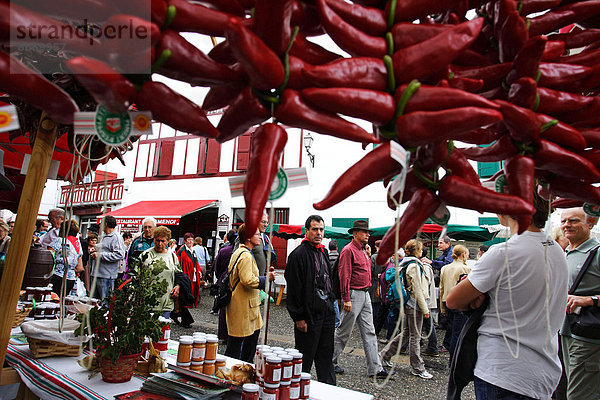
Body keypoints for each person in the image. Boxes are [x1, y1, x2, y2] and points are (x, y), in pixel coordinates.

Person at [446, 193, 568, 400]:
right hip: (544, 370)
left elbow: (453, 300)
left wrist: (481, 295)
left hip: (503, 369)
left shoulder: (503, 252)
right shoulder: (557, 251)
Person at [332, 220, 388, 378]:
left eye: (368, 232)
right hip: (354, 294)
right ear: (355, 233)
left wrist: (369, 255)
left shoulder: (364, 250)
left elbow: (366, 271)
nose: (368, 235)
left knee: (370, 331)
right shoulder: (348, 250)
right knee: (344, 330)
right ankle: (330, 360)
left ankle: (375, 368)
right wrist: (346, 298)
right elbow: (344, 275)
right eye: (365, 232)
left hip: (364, 293)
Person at [285, 215, 336, 385]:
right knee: (304, 359)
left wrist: (332, 302)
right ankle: (297, 390)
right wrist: (298, 317)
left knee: (326, 356)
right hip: (308, 315)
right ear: (306, 231)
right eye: (314, 229)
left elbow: (328, 280)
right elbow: (294, 289)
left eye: (321, 229)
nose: (319, 233)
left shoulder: (324, 252)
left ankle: (328, 391)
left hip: (326, 312)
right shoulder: (297, 255)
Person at [559, 207, 600, 400]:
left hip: (587, 338)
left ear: (591, 223)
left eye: (574, 220)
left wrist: (589, 300)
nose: (567, 225)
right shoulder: (565, 253)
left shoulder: (597, 253)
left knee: (580, 396)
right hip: (565, 333)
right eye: (564, 221)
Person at [379, 240, 433, 380]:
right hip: (415, 304)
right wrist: (425, 308)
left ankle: (384, 355)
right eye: (421, 249)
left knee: (407, 333)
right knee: (415, 336)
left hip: (409, 303)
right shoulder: (414, 266)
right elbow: (418, 290)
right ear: (417, 251)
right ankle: (418, 367)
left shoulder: (405, 263)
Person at [225, 223, 274, 363]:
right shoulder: (245, 255)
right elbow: (247, 280)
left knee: (244, 342)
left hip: (247, 306)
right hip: (243, 307)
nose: (260, 236)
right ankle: (235, 371)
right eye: (257, 234)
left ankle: (239, 368)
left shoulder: (241, 252)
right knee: (238, 345)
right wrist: (266, 279)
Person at [139, 226, 182, 319]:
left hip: (166, 301)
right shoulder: (145, 255)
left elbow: (179, 275)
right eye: (157, 240)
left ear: (168, 241)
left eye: (163, 241)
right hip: (148, 301)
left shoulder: (172, 257)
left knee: (163, 330)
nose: (159, 244)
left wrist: (177, 286)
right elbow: (137, 275)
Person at [439, 244, 472, 359]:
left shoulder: (445, 268)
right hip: (460, 304)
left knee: (452, 329)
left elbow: (441, 288)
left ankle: (453, 357)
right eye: (467, 255)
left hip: (447, 302)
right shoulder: (466, 269)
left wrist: (442, 307)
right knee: (458, 333)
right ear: (463, 255)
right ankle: (455, 359)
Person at [90, 216, 126, 301]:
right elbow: (105, 248)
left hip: (106, 276)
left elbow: (120, 254)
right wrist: (95, 248)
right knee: (94, 303)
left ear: (105, 224)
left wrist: (100, 255)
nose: (99, 226)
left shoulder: (116, 237)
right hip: (96, 274)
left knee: (105, 303)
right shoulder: (104, 236)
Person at [47, 219, 84, 296]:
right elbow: (80, 268)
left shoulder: (59, 241)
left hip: (57, 276)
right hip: (70, 279)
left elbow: (48, 257)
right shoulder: (77, 245)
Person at [214, 229, 237, 341]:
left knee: (223, 310)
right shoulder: (240, 252)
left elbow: (216, 266)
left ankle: (223, 334)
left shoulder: (224, 251)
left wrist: (220, 277)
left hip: (223, 281)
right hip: (234, 283)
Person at [177, 233, 202, 309]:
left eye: (192, 240)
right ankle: (187, 303)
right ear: (185, 241)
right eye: (189, 240)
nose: (191, 242)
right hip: (186, 272)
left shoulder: (193, 250)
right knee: (187, 287)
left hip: (193, 272)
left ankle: (193, 301)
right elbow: (178, 263)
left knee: (195, 286)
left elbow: (196, 261)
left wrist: (199, 270)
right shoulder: (181, 251)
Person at [370, 240, 384, 326]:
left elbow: (370, 270)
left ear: (375, 246)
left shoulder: (373, 257)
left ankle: (375, 324)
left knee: (375, 305)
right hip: (385, 283)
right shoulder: (388, 257)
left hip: (374, 283)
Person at [328, 239, 341, 328]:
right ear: (337, 247)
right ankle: (337, 321)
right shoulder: (340, 257)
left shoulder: (326, 257)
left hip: (328, 283)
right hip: (338, 283)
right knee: (336, 302)